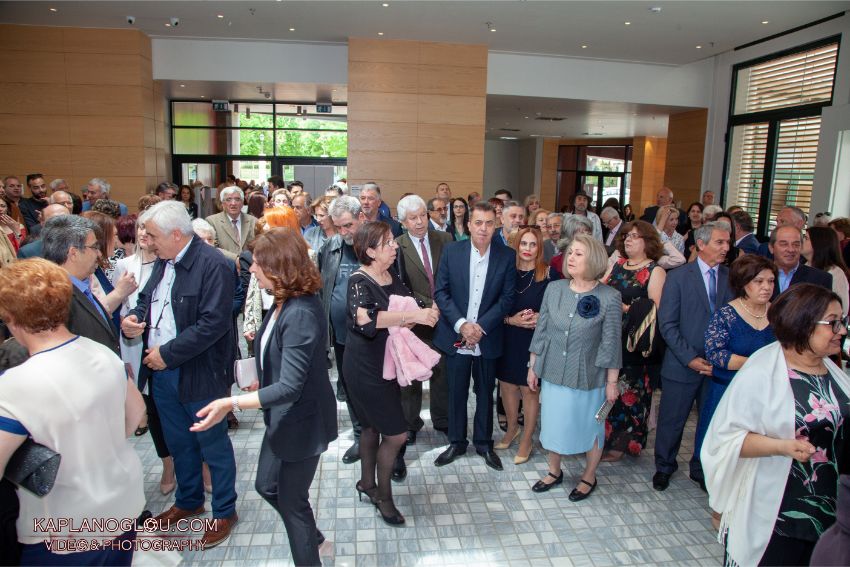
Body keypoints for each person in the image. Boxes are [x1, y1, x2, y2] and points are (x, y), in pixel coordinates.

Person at [190, 228, 337, 566]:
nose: (251, 269)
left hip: (303, 423)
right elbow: (282, 358)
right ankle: (314, 539)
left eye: (257, 263)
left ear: (279, 266)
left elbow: (291, 386)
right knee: (266, 486)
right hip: (283, 417)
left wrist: (230, 403)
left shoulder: (300, 313)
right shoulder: (282, 301)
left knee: (292, 502)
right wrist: (262, 374)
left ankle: (311, 552)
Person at [0, 258, 146, 566]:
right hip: (122, 505)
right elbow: (136, 414)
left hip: (64, 527)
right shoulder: (101, 353)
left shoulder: (15, 384)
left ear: (11, 318)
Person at [702, 284, 850, 567]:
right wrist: (782, 446)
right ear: (804, 324)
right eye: (833, 323)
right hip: (777, 513)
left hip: (830, 511)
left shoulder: (834, 372)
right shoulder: (761, 372)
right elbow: (726, 440)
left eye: (842, 321)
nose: (841, 330)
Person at [122, 200, 238, 547]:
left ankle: (224, 511)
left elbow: (213, 323)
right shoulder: (163, 260)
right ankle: (189, 501)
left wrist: (167, 354)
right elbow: (147, 299)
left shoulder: (214, 264)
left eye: (152, 235)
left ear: (176, 234)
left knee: (212, 444)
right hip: (162, 373)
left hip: (199, 371)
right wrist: (134, 318)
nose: (147, 241)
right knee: (179, 442)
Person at [344, 222, 438, 525]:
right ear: (371, 251)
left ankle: (366, 484)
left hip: (388, 363)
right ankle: (383, 497)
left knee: (372, 428)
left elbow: (405, 307)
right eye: (388, 242)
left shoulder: (390, 274)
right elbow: (365, 319)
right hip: (365, 367)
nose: (395, 245)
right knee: (396, 434)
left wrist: (424, 312)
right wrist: (413, 315)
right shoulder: (358, 280)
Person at [527, 234, 622, 499]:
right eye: (570, 253)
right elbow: (542, 331)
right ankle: (554, 471)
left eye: (578, 254)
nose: (571, 258)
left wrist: (612, 382)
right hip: (553, 371)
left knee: (591, 428)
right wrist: (533, 366)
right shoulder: (554, 289)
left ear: (594, 259)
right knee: (553, 424)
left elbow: (611, 344)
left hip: (590, 377)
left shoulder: (610, 297)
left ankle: (589, 476)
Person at [433, 201, 516, 471]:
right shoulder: (451, 251)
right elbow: (441, 292)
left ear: (496, 225)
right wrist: (462, 325)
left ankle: (483, 443)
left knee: (485, 392)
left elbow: (507, 299)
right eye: (478, 222)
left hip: (487, 337)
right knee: (456, 392)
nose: (483, 228)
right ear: (468, 225)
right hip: (456, 335)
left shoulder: (506, 256)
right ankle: (457, 442)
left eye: (489, 223)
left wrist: (479, 327)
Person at [654, 221, 734, 492]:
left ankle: (700, 468)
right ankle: (664, 467)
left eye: (727, 242)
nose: (726, 247)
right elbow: (667, 324)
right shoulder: (678, 277)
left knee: (710, 421)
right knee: (672, 420)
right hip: (681, 363)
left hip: (717, 367)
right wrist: (689, 358)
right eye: (720, 242)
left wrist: (721, 358)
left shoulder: (731, 278)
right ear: (701, 244)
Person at [113, 218, 175, 495]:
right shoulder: (124, 266)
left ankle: (197, 461)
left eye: (149, 230)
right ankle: (167, 463)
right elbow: (119, 307)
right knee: (152, 407)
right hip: (134, 346)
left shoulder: (171, 263)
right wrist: (128, 322)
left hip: (167, 346)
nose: (143, 234)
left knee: (177, 404)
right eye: (140, 228)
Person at [697, 255, 777, 460]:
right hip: (728, 391)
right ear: (743, 283)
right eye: (759, 281)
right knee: (722, 451)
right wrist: (758, 364)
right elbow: (716, 354)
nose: (766, 287)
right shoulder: (725, 314)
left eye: (771, 281)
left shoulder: (779, 315)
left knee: (758, 455)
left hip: (766, 394)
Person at [601, 221, 666, 460]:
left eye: (635, 236)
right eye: (626, 235)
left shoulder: (655, 270)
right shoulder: (617, 264)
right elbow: (600, 289)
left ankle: (622, 445)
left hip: (635, 342)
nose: (628, 239)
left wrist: (626, 308)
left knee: (631, 394)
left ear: (648, 241)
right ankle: (604, 438)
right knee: (609, 389)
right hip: (610, 337)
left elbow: (655, 310)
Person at [497, 226, 560, 464]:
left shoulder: (550, 273)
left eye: (533, 244)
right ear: (517, 245)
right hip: (508, 335)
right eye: (524, 243)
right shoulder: (507, 271)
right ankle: (512, 429)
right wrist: (509, 320)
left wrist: (542, 318)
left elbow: (559, 308)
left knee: (529, 389)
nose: (527, 249)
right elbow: (494, 306)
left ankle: (527, 439)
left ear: (539, 248)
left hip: (535, 340)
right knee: (506, 386)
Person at [395, 195, 453, 442]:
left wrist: (441, 305)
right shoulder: (397, 246)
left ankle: (442, 419)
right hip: (414, 321)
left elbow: (453, 275)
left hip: (444, 317)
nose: (419, 222)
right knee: (411, 376)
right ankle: (410, 423)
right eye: (413, 218)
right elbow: (399, 286)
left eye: (422, 216)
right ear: (402, 222)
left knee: (442, 371)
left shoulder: (445, 239)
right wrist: (426, 308)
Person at [770, 225, 832, 298]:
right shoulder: (760, 274)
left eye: (796, 245)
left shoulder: (820, 279)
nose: (791, 250)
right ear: (771, 248)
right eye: (784, 244)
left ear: (801, 247)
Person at [803, 226, 850, 318]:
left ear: (818, 244)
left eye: (806, 238)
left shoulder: (835, 273)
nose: (801, 241)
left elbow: (842, 308)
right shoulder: (803, 266)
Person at [206, 186, 257, 255]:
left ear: (242, 203)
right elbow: (213, 247)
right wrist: (236, 259)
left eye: (237, 199)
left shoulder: (253, 221)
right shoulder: (212, 221)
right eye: (228, 199)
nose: (233, 203)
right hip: (223, 261)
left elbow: (258, 246)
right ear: (223, 203)